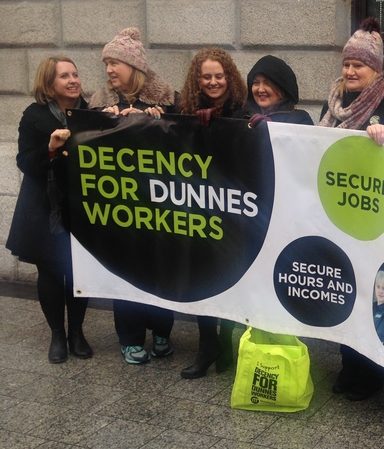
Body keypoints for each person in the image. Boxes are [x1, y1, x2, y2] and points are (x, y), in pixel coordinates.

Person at [89, 27, 177, 364]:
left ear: (135, 67)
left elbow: (185, 147)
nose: (109, 70)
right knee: (124, 272)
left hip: (157, 206)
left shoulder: (168, 100)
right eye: (107, 64)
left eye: (115, 63)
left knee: (159, 269)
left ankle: (162, 332)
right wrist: (101, 124)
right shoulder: (97, 104)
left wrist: (160, 122)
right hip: (118, 207)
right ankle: (129, 338)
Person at [7, 56, 92, 363]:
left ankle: (77, 333)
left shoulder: (91, 113)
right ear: (49, 84)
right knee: (51, 271)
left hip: (82, 205)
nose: (73, 80)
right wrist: (51, 149)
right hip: (46, 205)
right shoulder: (34, 116)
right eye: (64, 76)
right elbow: (25, 162)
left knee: (79, 271)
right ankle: (57, 333)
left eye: (75, 74)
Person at [176, 47, 247, 378]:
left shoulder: (243, 112)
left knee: (231, 280)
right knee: (203, 279)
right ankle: (207, 348)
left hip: (234, 213)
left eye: (219, 75)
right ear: (197, 80)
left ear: (229, 77)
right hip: (199, 211)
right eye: (207, 76)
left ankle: (226, 343)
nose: (214, 82)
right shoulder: (186, 113)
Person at [318, 17, 384, 134]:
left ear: (375, 69)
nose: (350, 72)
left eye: (357, 66)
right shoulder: (331, 105)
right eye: (346, 65)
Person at [333, 271, 384, 401]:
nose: (380, 291)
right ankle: (348, 375)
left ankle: (367, 383)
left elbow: (377, 339)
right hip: (362, 345)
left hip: (376, 355)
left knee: (364, 347)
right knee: (347, 344)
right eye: (378, 287)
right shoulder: (369, 307)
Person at [234, 55, 313, 125]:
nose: (260, 89)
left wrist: (270, 127)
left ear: (281, 88)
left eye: (267, 83)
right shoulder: (240, 117)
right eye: (256, 83)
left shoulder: (300, 119)